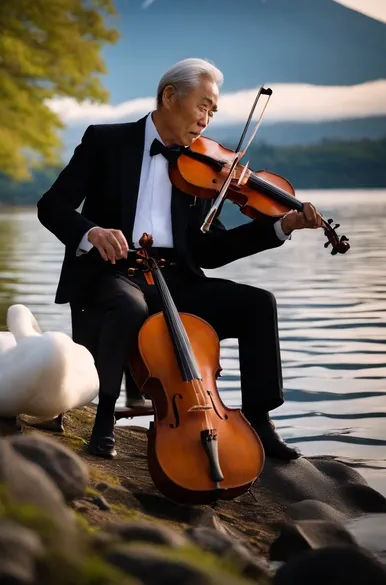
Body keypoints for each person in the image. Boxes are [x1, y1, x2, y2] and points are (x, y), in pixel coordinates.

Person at [37, 58, 322, 461]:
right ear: (170, 96)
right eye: (203, 105)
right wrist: (91, 232)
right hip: (113, 272)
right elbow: (51, 206)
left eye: (213, 111)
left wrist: (283, 226)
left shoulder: (200, 168)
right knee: (127, 304)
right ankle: (103, 421)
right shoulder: (106, 141)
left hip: (176, 280)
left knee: (258, 304)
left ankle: (259, 421)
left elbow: (210, 250)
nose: (206, 119)